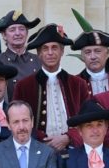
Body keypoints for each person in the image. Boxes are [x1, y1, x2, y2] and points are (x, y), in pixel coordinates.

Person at [12, 23, 90, 151]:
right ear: (39, 53)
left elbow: (87, 119)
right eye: (45, 48)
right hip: (38, 150)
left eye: (55, 48)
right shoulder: (24, 86)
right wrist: (43, 140)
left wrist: (68, 137)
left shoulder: (78, 84)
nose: (50, 53)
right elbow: (17, 120)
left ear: (62, 51)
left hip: (74, 150)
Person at [0, 10, 42, 95]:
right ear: (4, 35)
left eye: (21, 29)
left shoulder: (38, 60)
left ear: (27, 33)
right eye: (12, 30)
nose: (18, 33)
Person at [71, 30, 109, 98]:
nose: (93, 57)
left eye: (97, 51)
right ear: (82, 56)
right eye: (88, 52)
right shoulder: (74, 83)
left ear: (107, 53)